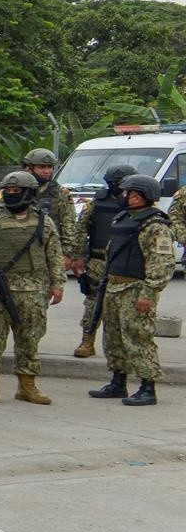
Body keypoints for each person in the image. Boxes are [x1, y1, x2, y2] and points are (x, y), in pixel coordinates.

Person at [0, 171, 63, 405]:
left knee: (30, 339)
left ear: (30, 192)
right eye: (9, 191)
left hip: (34, 288)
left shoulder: (44, 220)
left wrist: (57, 284)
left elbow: (54, 254)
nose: (12, 194)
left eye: (17, 191)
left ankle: (27, 385)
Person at [89, 174, 171, 406]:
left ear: (142, 197)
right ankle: (118, 381)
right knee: (113, 337)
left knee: (138, 338)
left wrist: (149, 293)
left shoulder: (155, 226)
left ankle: (148, 387)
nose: (125, 197)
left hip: (136, 289)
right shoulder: (123, 218)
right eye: (126, 193)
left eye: (131, 194)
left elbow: (161, 263)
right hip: (114, 286)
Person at [71, 165, 134, 358]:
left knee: (125, 305)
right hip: (98, 260)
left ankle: (124, 347)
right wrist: (79, 256)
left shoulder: (139, 202)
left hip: (125, 262)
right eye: (115, 184)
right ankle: (87, 340)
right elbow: (80, 229)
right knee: (93, 302)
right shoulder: (97, 204)